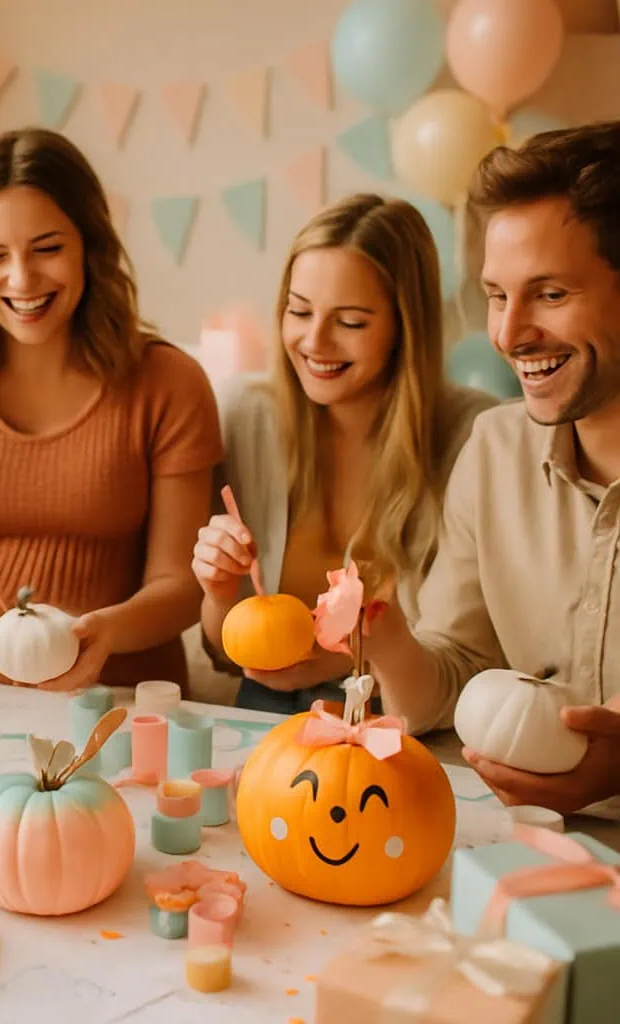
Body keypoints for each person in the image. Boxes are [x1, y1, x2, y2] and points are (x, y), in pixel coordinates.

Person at [0, 127, 222, 692]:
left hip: (117, 702)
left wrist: (102, 633)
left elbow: (180, 588)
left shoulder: (169, 384)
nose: (22, 279)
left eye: (48, 249)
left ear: (90, 247)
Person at [366, 122, 620, 817]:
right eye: (497, 295)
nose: (508, 335)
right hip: (532, 846)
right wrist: (381, 633)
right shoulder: (494, 449)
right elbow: (452, 677)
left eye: (551, 294)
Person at [192, 194, 497, 713]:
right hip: (262, 712)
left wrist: (340, 663)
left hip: (402, 716)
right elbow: (225, 653)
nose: (315, 341)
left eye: (350, 322)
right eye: (299, 311)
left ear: (405, 326)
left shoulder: (473, 436)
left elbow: (466, 659)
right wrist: (220, 592)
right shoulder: (247, 416)